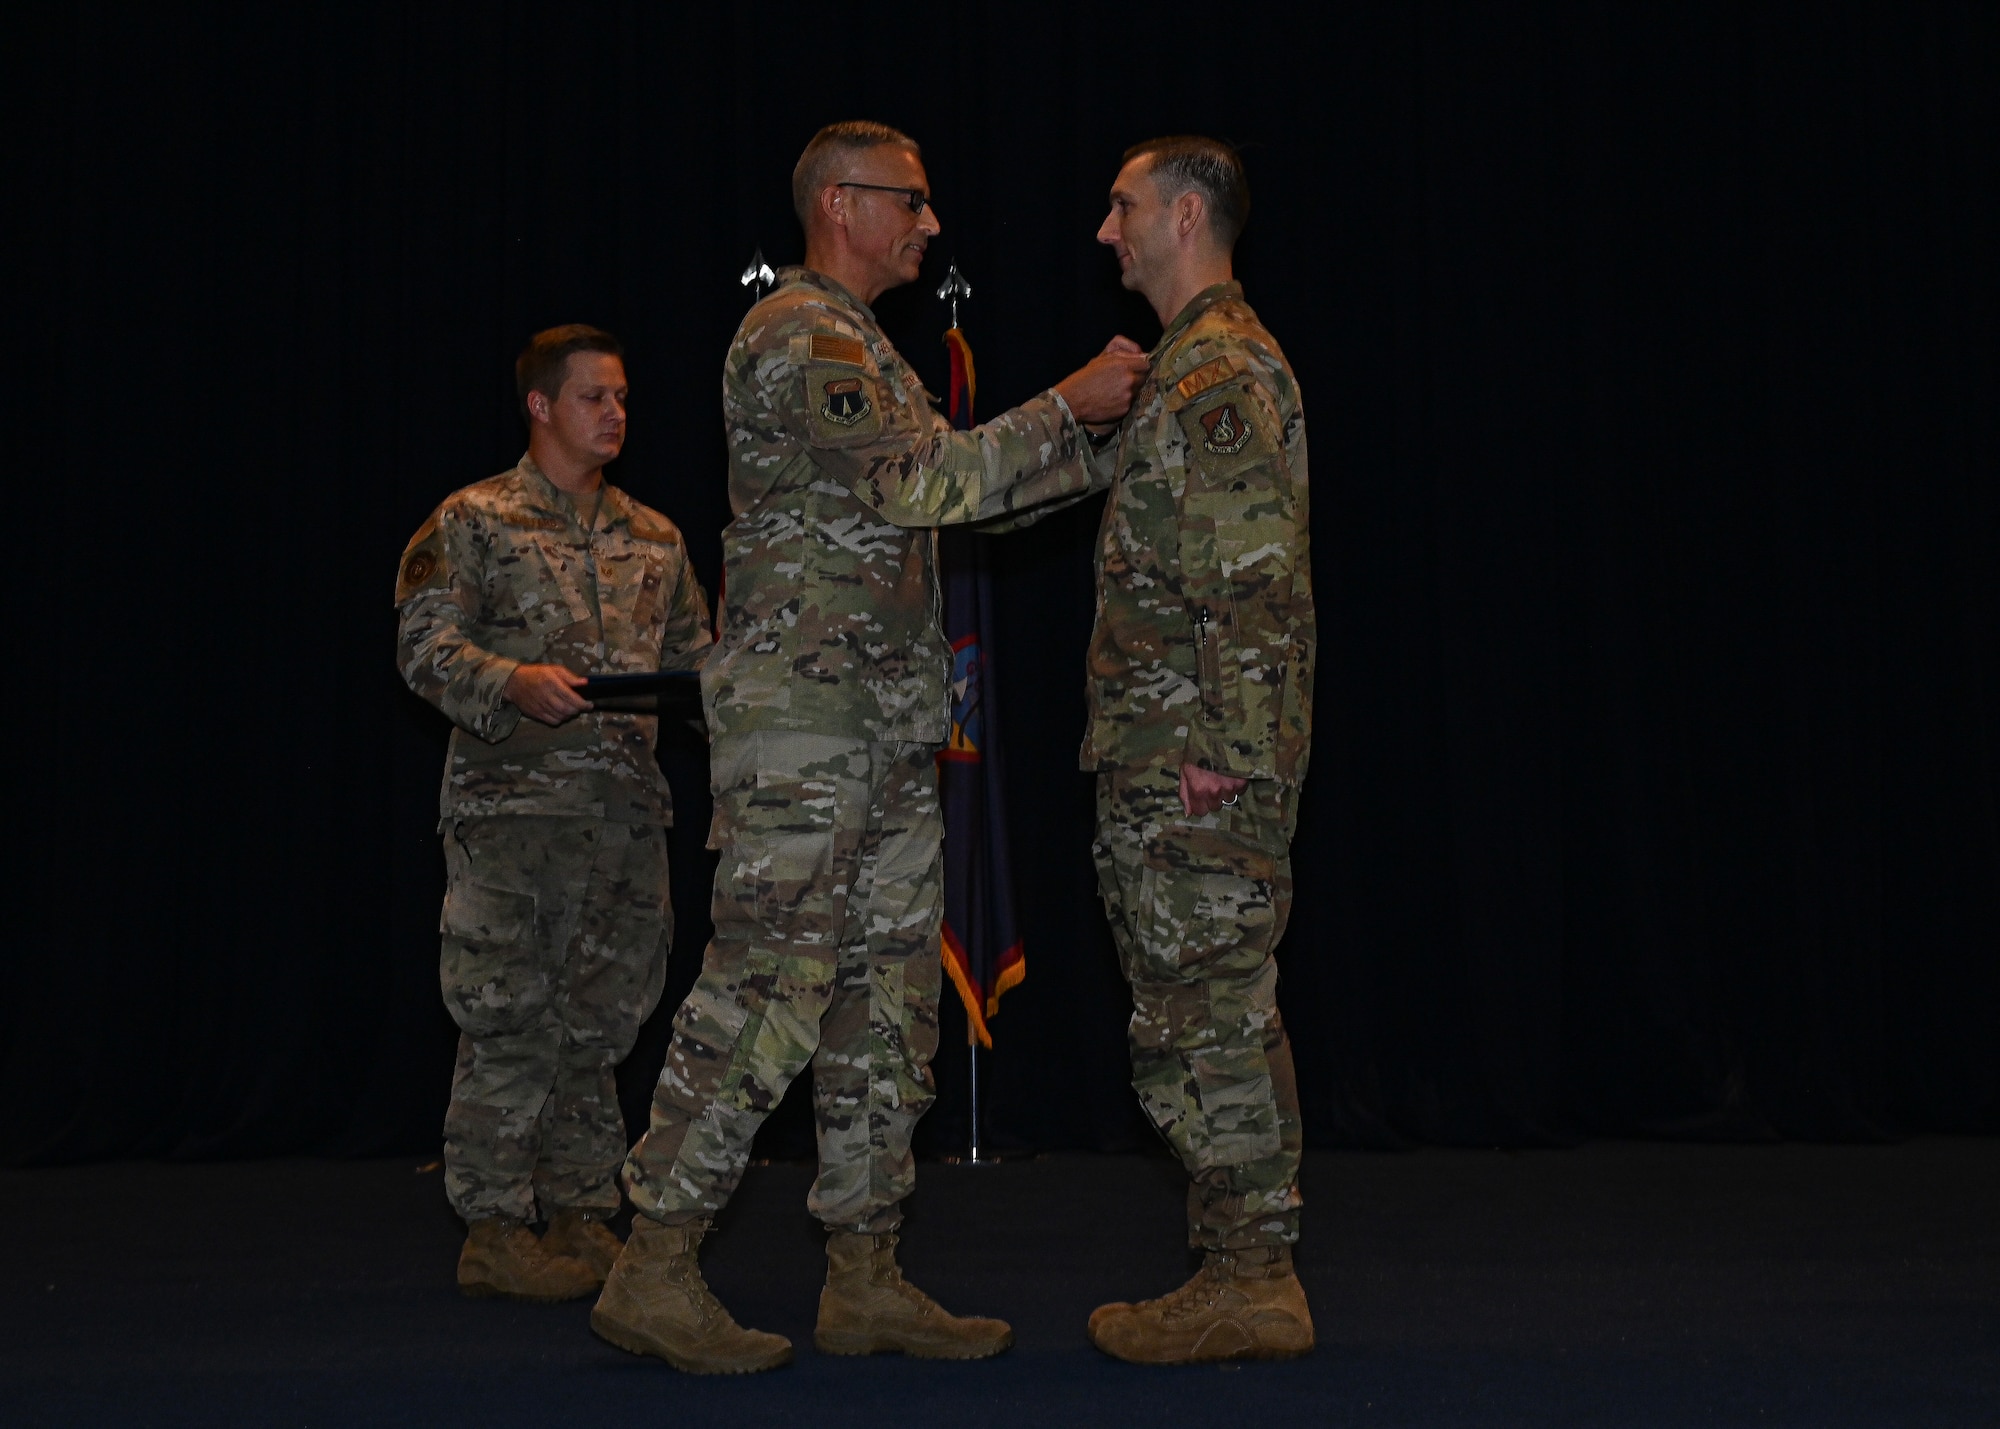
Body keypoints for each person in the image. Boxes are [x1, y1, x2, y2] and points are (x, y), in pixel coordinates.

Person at [590, 120, 1149, 1374]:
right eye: (913, 202)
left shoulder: (871, 350)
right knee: (767, 993)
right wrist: (1069, 404)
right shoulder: (800, 335)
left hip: (884, 735)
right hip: (805, 734)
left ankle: (862, 1272)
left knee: (887, 1007)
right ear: (842, 205)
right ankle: (655, 1261)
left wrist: (1100, 437)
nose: (931, 224)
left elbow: (966, 489)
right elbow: (918, 484)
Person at [395, 325, 713, 1302]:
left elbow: (698, 662)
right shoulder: (473, 521)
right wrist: (510, 680)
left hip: (621, 818)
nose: (614, 414)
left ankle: (581, 1212)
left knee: (602, 1023)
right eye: (592, 398)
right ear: (539, 406)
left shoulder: (655, 537)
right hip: (513, 819)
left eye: (621, 398)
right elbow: (421, 646)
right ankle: (492, 1225)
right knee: (507, 1017)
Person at [1079, 136, 1318, 1363]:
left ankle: (1248, 1277)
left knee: (1207, 1009)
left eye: (1120, 209)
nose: (1104, 232)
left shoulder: (1216, 369)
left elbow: (1249, 577)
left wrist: (1221, 746)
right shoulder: (1184, 367)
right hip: (1172, 751)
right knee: (1202, 1006)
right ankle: (1243, 1260)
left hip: (1195, 764)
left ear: (1182, 215)